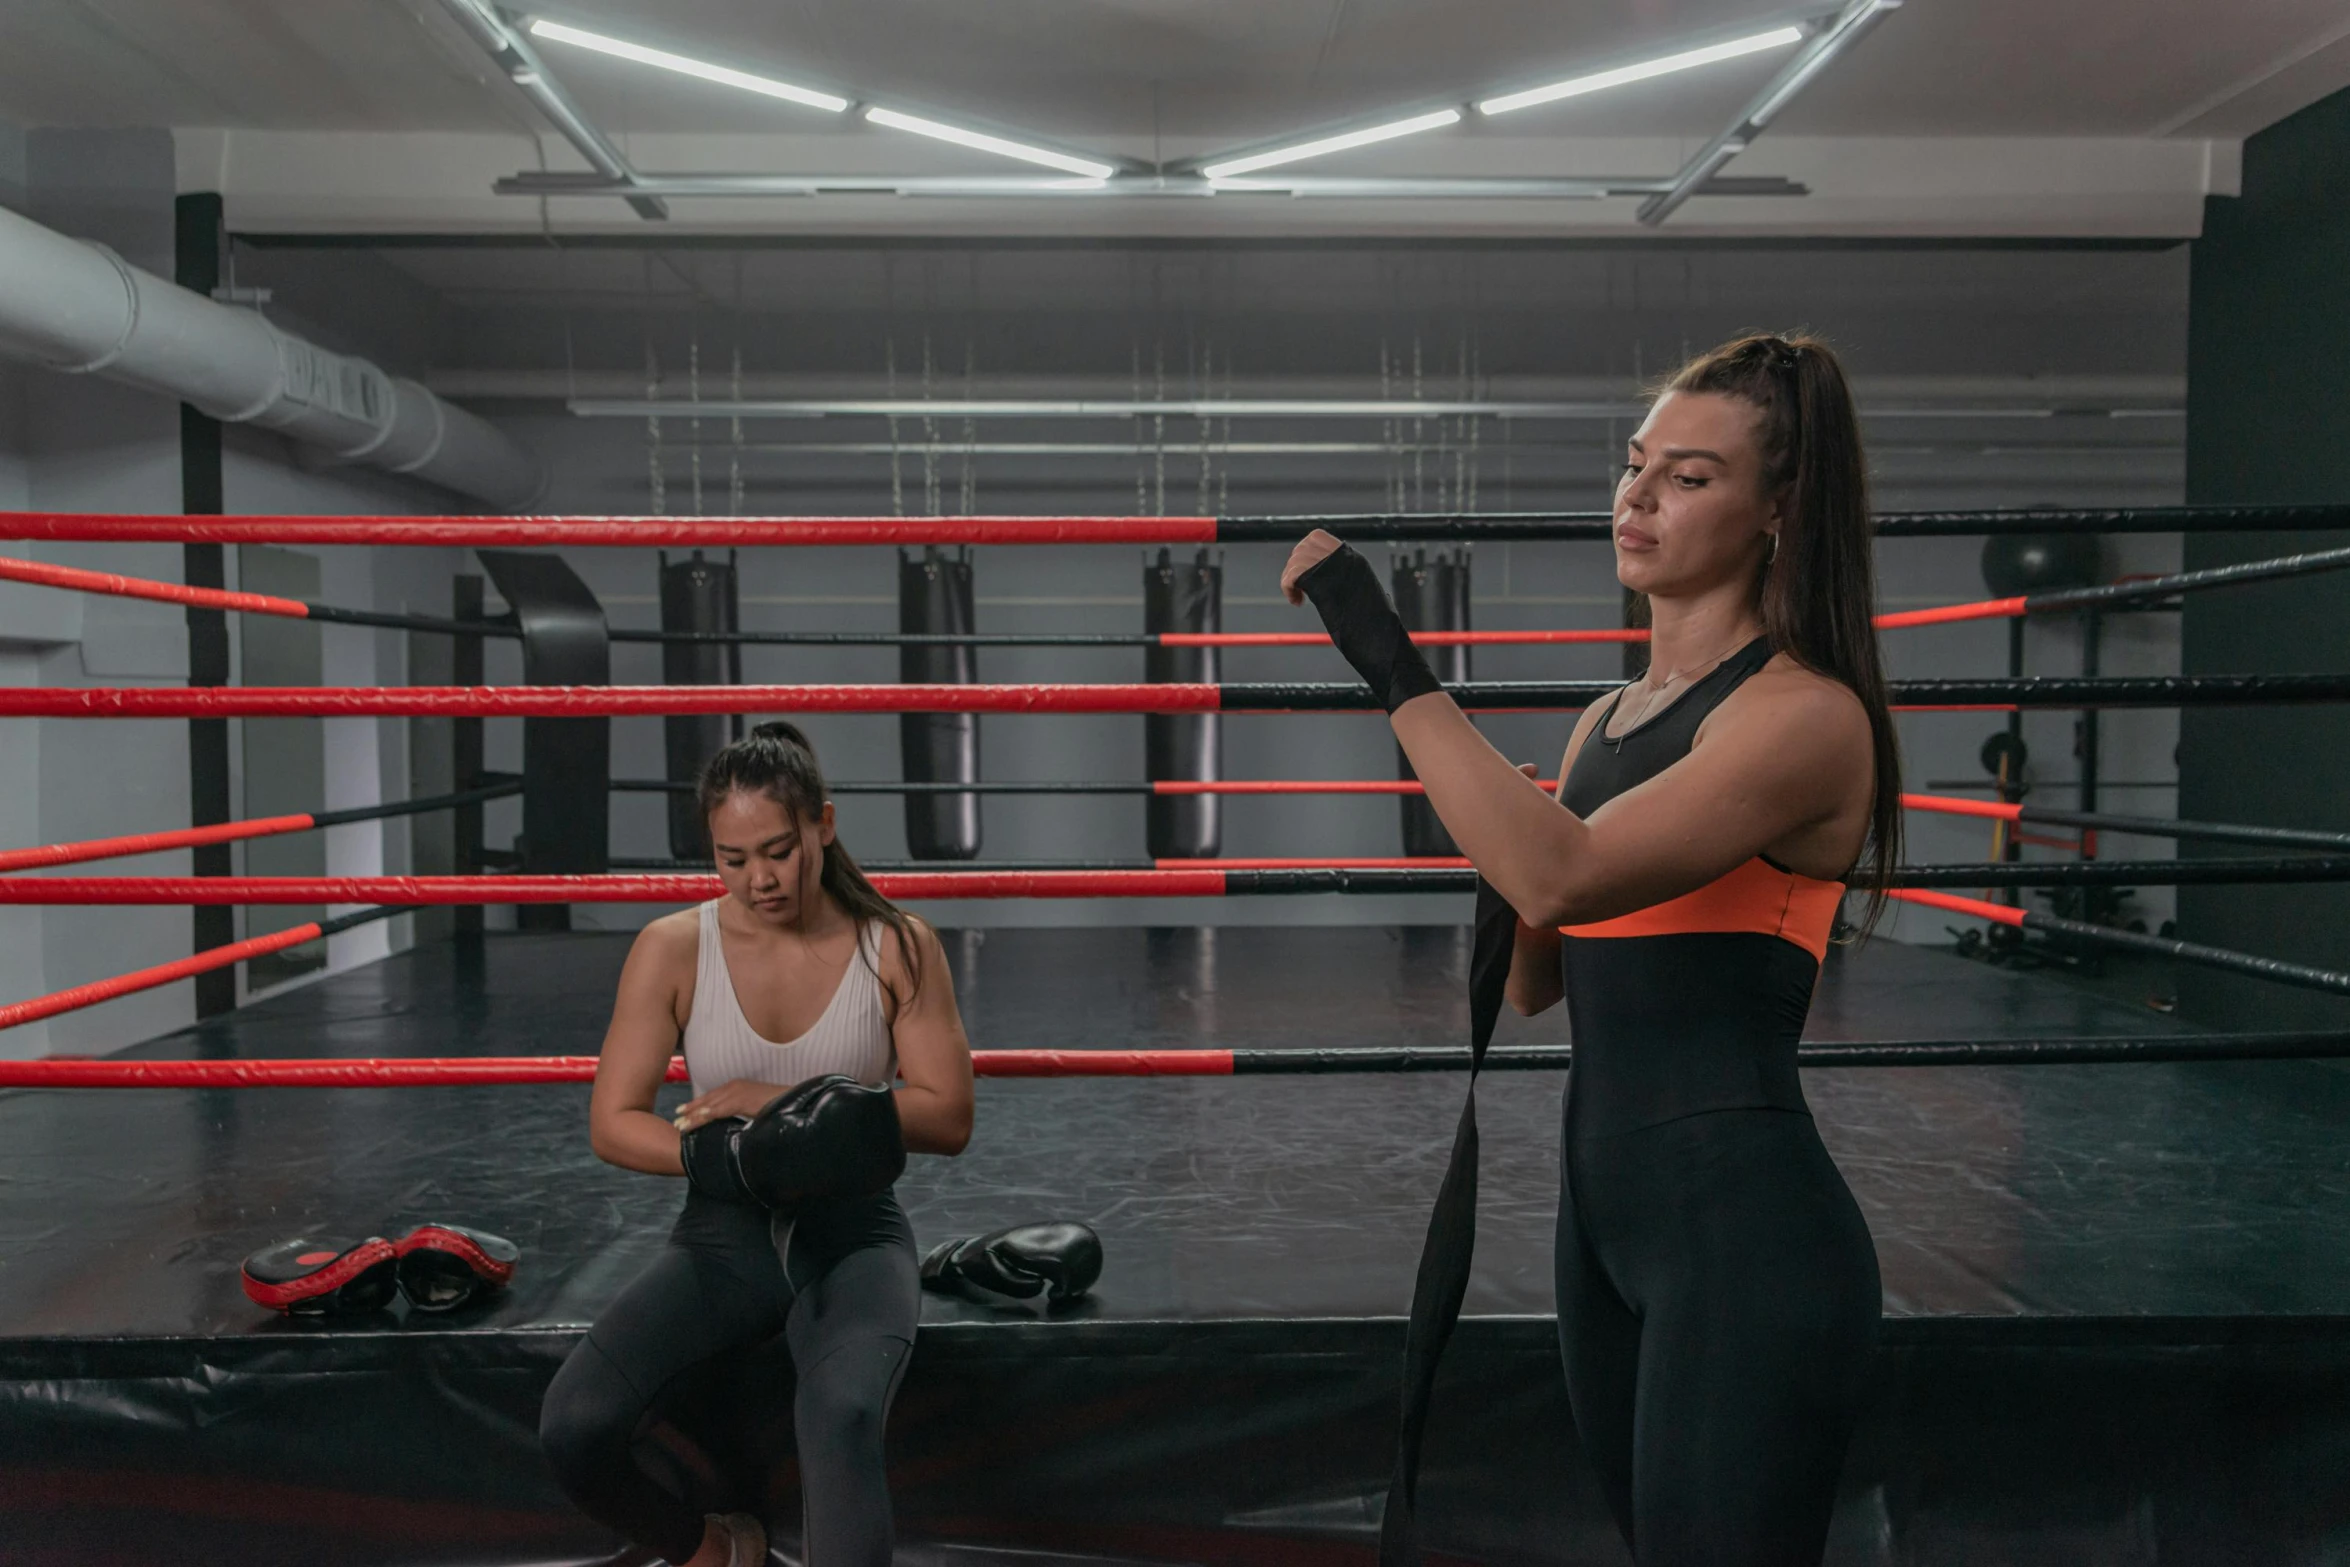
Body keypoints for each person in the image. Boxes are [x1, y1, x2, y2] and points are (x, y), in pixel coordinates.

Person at [1283, 334, 1893, 1565]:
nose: (1638, 496)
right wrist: (1507, 847)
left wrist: (1384, 653)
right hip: (1601, 1222)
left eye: (1689, 476)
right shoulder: (1607, 721)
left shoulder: (1806, 716)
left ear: (1780, 509)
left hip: (1742, 1235)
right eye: (1634, 466)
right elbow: (1538, 978)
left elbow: (1563, 871)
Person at [541, 721, 975, 1567]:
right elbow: (614, 1119)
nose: (758, 879)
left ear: (824, 823)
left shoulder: (896, 943)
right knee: (575, 1422)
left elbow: (949, 1115)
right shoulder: (673, 947)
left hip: (852, 1237)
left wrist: (778, 1104)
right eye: (731, 858)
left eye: (777, 850)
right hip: (721, 1235)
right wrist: (728, 1156)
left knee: (843, 1413)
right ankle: (714, 1552)